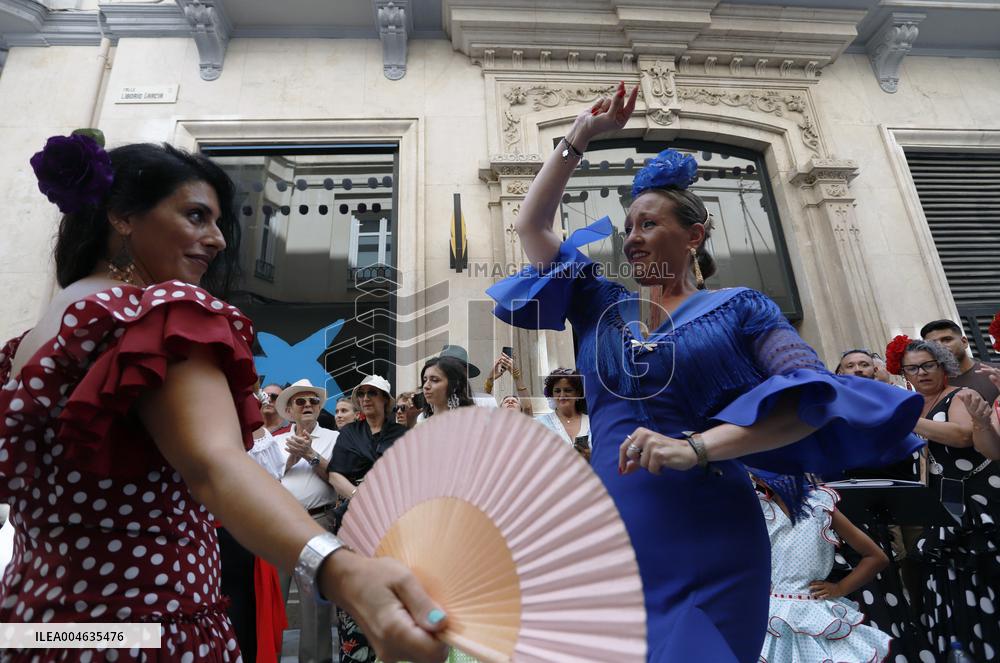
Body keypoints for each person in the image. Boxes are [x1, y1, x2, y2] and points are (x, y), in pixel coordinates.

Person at [486, 82, 922, 662]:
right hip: (614, 525)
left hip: (713, 527)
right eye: (628, 227)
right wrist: (580, 136)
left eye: (648, 225)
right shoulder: (597, 302)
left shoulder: (742, 308)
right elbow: (532, 228)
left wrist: (695, 448)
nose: (632, 239)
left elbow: (809, 402)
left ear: (693, 237)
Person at [0, 135, 448, 663]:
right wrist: (343, 570)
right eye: (195, 215)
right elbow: (215, 465)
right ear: (122, 217)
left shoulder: (41, 335)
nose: (216, 239)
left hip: (38, 627)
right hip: (149, 627)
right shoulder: (159, 315)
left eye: (217, 222)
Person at [885, 337, 1000, 662]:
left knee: (983, 575)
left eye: (928, 365)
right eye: (912, 368)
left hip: (976, 500)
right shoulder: (910, 405)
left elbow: (963, 435)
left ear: (943, 366)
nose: (921, 373)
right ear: (903, 372)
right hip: (940, 505)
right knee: (951, 586)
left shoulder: (960, 396)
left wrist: (906, 421)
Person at [752, 471, 891, 663]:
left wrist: (840, 588)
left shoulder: (820, 507)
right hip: (771, 617)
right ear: (758, 479)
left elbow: (876, 557)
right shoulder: (759, 510)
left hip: (817, 616)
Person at [323, 375, 409, 663]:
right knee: (354, 594)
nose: (366, 399)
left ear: (385, 399)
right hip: (353, 521)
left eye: (373, 393)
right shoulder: (349, 433)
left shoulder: (402, 434)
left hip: (392, 522)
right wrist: (361, 497)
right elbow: (335, 474)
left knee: (390, 594)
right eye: (362, 394)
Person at [274, 379, 340, 663]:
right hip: (279, 525)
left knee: (315, 603)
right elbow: (265, 478)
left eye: (313, 401)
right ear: (289, 410)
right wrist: (291, 457)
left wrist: (311, 455)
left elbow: (337, 479)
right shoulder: (275, 441)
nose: (308, 405)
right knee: (273, 600)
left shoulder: (334, 438)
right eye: (300, 401)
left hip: (318, 521)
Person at [921, 319, 1000, 403]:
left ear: (964, 342)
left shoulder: (996, 371)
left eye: (947, 339)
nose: (940, 346)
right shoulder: (930, 386)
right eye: (933, 344)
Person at [534, 368, 591, 452]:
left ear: (578, 393)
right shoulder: (539, 424)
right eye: (557, 391)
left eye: (568, 390)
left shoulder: (592, 423)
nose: (562, 395)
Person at [417, 356, 475, 423]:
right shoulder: (421, 422)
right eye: (425, 380)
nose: (426, 386)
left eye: (435, 380)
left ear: (455, 384)